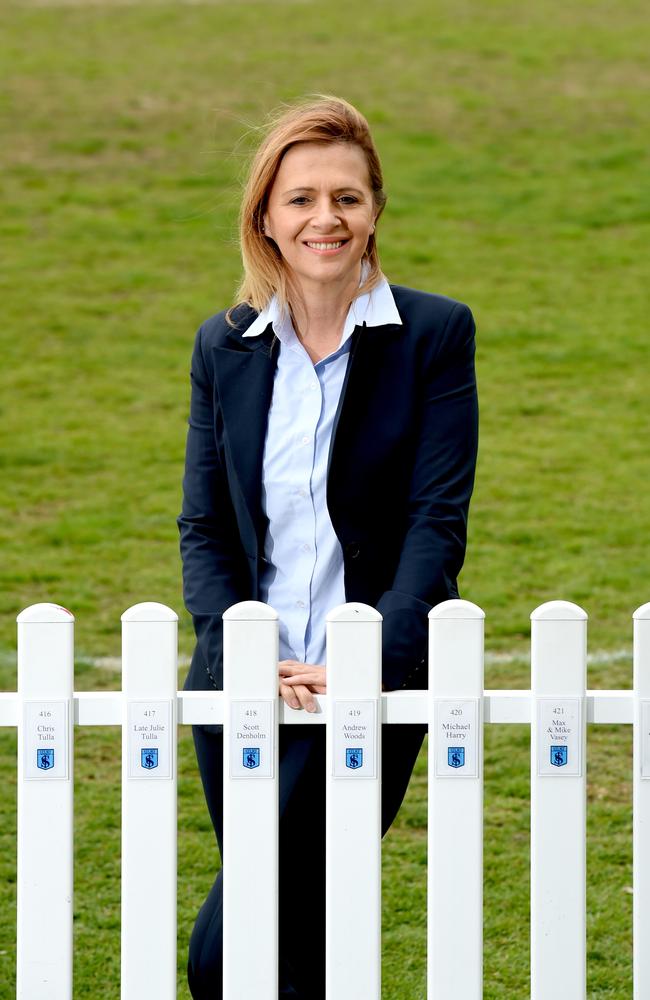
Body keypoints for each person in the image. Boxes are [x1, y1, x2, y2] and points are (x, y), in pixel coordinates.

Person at [178, 94, 478, 1000]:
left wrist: (364, 664)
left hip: (370, 683)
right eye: (302, 198)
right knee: (291, 938)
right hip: (245, 682)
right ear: (266, 217)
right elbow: (205, 526)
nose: (325, 218)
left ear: (375, 210)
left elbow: (436, 521)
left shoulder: (433, 334)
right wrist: (247, 650)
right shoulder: (224, 346)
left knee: (227, 955)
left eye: (346, 197)